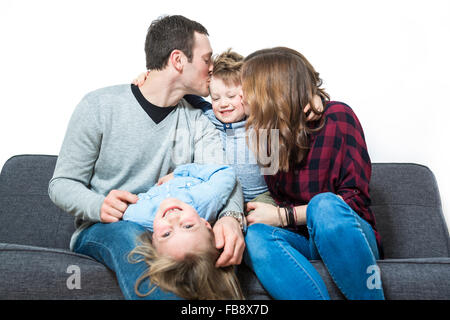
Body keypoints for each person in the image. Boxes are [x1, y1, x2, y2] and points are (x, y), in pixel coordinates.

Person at [48, 15, 246, 300]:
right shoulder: (99, 106)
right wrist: (99, 205)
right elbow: (62, 184)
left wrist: (229, 218)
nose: (213, 68)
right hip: (108, 227)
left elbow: (223, 175)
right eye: (206, 59)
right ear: (178, 60)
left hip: (176, 228)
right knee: (131, 239)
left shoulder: (199, 119)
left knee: (222, 244)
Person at [241, 47, 385, 300]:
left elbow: (352, 202)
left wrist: (284, 216)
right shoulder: (267, 135)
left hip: (348, 236)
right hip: (302, 241)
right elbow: (216, 115)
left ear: (273, 90)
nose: (242, 97)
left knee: (324, 205)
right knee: (254, 236)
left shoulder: (339, 116)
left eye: (248, 89)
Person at [133, 49, 322, 203]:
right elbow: (181, 89)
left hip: (263, 196)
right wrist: (150, 77)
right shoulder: (209, 116)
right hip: (224, 194)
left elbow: (287, 99)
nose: (223, 103)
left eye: (232, 97)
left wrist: (315, 96)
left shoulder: (259, 118)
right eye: (216, 98)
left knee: (260, 223)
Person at [122, 163, 244, 299]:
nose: (173, 218)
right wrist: (180, 173)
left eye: (166, 234)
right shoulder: (207, 199)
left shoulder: (138, 216)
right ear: (205, 223)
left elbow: (123, 209)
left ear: (153, 240)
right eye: (188, 226)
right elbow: (225, 172)